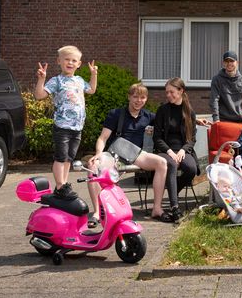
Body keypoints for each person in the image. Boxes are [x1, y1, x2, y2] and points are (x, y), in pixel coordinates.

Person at [87, 83, 172, 228]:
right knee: (93, 166)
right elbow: (103, 138)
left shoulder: (148, 116)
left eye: (143, 97)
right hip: (116, 154)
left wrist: (195, 120)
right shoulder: (116, 114)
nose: (139, 101)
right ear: (129, 97)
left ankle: (157, 209)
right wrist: (98, 154)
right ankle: (97, 212)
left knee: (162, 163)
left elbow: (171, 121)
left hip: (136, 154)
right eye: (135, 97)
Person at [34, 45, 97, 200]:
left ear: (79, 64)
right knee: (60, 157)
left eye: (73, 60)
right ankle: (60, 185)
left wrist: (94, 75)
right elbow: (39, 95)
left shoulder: (80, 80)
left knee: (69, 157)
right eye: (66, 60)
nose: (70, 63)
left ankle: (63, 184)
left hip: (77, 127)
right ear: (59, 61)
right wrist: (41, 79)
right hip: (62, 127)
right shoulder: (56, 81)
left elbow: (92, 90)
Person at [153, 77, 200, 222]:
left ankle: (172, 191)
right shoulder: (162, 110)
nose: (168, 95)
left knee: (191, 169)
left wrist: (183, 150)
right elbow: (157, 137)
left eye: (171, 92)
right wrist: (170, 152)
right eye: (167, 92)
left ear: (181, 91)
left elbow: (192, 138)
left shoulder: (189, 112)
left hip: (183, 151)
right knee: (172, 164)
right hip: (165, 150)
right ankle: (174, 207)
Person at [209, 50, 242, 124]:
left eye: (232, 61)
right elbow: (214, 100)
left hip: (240, 121)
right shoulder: (217, 79)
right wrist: (216, 119)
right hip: (223, 121)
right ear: (223, 63)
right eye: (226, 61)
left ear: (237, 63)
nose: (229, 63)